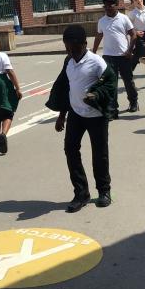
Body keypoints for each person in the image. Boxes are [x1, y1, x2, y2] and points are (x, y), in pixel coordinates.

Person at [46, 25, 117, 213]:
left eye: (74, 48)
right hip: (75, 114)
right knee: (70, 149)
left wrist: (97, 94)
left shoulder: (97, 62)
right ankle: (81, 193)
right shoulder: (68, 61)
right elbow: (65, 88)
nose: (70, 52)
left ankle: (104, 191)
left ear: (84, 44)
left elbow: (111, 84)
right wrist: (62, 115)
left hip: (96, 116)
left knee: (99, 154)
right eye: (67, 48)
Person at [92, 0, 137, 116]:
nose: (107, 8)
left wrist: (130, 51)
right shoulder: (102, 21)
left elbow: (133, 35)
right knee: (111, 83)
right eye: (105, 6)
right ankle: (113, 109)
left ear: (116, 5)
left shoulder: (124, 18)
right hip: (108, 56)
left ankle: (133, 101)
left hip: (124, 56)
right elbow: (99, 36)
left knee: (128, 81)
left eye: (109, 5)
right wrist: (94, 52)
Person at [127, 0, 145, 71]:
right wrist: (135, 32)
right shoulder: (132, 13)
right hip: (140, 36)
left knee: (138, 54)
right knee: (142, 52)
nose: (138, 0)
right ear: (133, 3)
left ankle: (129, 70)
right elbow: (128, 27)